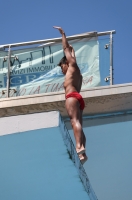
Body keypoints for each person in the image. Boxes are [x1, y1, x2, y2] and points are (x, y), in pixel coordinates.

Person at [53, 26, 88, 164]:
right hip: (78, 98)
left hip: (72, 97)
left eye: (62, 67)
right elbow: (71, 53)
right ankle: (83, 153)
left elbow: (66, 49)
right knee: (78, 123)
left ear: (66, 63)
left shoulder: (71, 65)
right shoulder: (76, 71)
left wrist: (63, 34)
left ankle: (79, 147)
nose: (62, 71)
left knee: (74, 122)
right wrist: (72, 51)